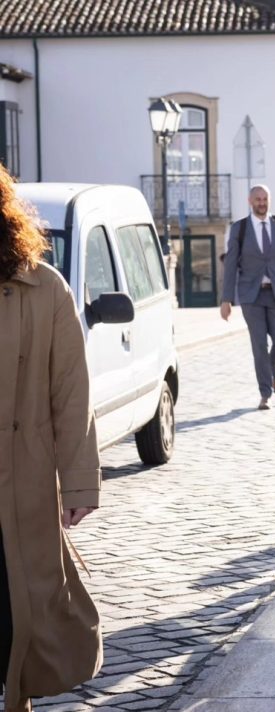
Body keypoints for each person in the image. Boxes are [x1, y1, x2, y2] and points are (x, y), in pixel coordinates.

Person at [0, 164, 103, 711]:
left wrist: (80, 481)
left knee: (21, 607)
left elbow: (71, 392)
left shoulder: (45, 287)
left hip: (23, 480)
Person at [221, 185, 275, 410]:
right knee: (260, 345)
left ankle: (270, 375)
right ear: (250, 201)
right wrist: (226, 300)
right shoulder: (240, 229)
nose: (262, 203)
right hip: (250, 296)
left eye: (265, 199)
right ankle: (266, 393)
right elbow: (231, 264)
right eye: (257, 199)